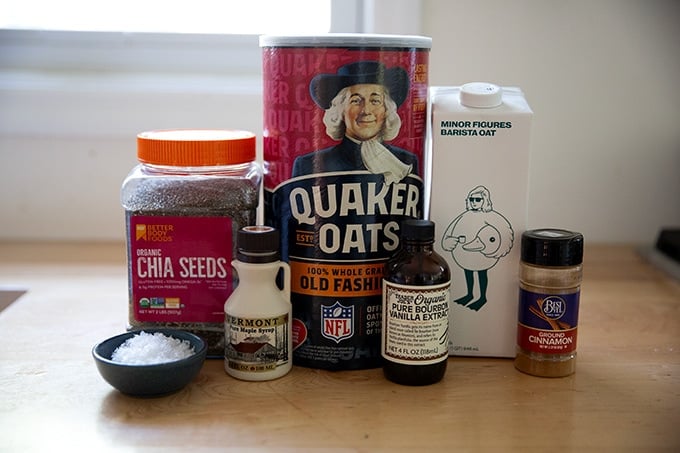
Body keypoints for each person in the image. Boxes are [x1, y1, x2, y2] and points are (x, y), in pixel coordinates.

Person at [292, 61, 418, 185]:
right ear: (341, 110)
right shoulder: (307, 165)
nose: (366, 111)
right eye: (356, 101)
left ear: (386, 109)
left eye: (375, 101)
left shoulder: (405, 161)